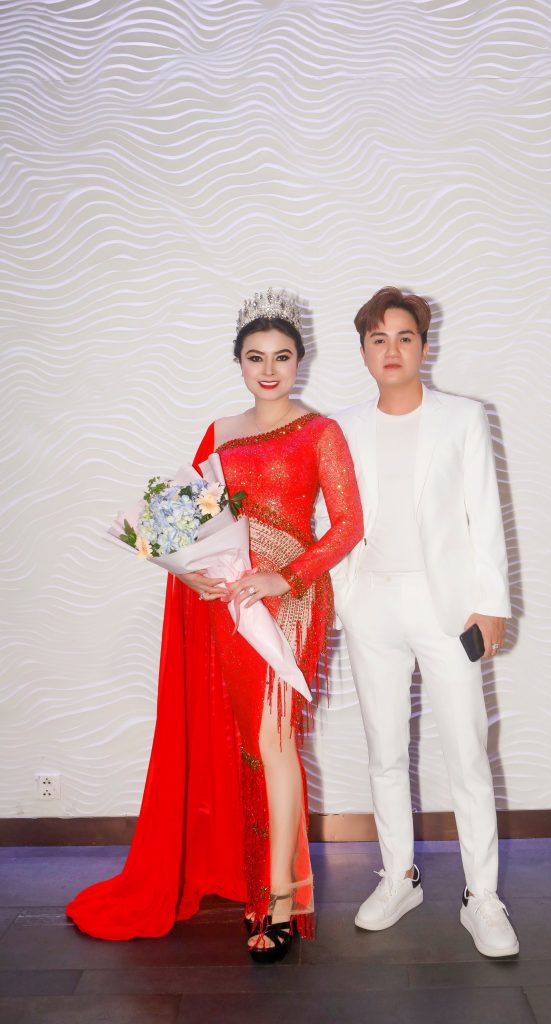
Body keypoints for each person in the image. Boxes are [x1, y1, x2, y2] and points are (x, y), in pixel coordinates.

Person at [67, 289, 363, 963]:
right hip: (231, 598)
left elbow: (348, 525)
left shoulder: (321, 433)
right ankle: (254, 879)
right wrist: (190, 574)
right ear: (239, 362)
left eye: (282, 357)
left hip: (290, 601)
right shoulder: (220, 433)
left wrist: (285, 578)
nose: (269, 370)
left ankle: (280, 899)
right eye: (256, 357)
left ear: (300, 361)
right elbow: (196, 523)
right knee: (253, 745)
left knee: (275, 740)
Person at [330, 286, 519, 958]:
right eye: (378, 338)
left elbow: (484, 514)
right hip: (371, 605)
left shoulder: (462, 418)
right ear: (363, 351)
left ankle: (482, 897)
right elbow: (331, 518)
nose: (392, 349)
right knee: (384, 750)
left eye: (404, 337)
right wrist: (340, 597)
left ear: (424, 346)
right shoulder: (342, 427)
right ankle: (398, 878)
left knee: (467, 752)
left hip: (448, 609)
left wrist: (490, 603)